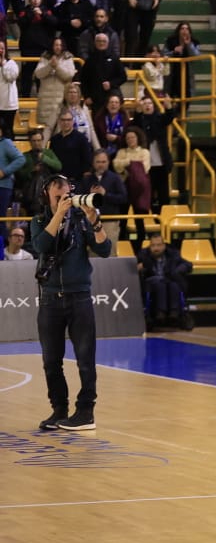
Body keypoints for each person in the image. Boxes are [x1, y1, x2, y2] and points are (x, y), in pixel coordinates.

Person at [32, 173, 112, 432]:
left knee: (85, 358)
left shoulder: (80, 221)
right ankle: (59, 409)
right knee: (51, 360)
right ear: (47, 195)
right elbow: (42, 244)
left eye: (66, 191)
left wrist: (95, 222)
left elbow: (104, 250)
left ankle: (86, 412)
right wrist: (59, 214)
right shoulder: (40, 220)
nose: (63, 196)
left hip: (79, 297)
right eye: (57, 192)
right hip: (49, 299)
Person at [137, 234, 193, 331]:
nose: (156, 248)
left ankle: (174, 313)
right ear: (150, 246)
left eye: (159, 245)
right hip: (152, 283)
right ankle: (160, 313)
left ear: (164, 245)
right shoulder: (144, 255)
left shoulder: (173, 254)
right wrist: (139, 267)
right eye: (153, 245)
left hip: (169, 281)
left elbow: (188, 265)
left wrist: (178, 271)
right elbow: (133, 267)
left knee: (174, 284)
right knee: (160, 283)